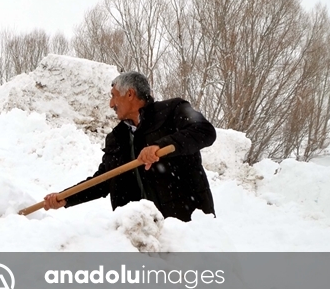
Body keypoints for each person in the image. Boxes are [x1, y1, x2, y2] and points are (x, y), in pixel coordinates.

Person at [43, 71, 216, 222]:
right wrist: (66, 198)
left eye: (113, 95)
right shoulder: (117, 137)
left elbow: (204, 131)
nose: (111, 104)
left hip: (185, 225)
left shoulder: (173, 110)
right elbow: (104, 179)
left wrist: (159, 146)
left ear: (130, 94)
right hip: (141, 233)